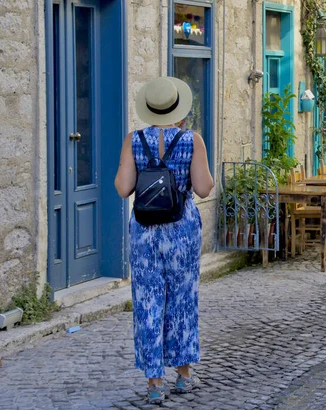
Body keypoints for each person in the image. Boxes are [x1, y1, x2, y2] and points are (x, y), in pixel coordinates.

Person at [114, 76, 214, 404]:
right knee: (182, 300)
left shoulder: (134, 140)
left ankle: (155, 381)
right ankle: (183, 376)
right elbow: (203, 188)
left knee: (148, 301)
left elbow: (122, 188)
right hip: (182, 230)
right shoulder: (192, 140)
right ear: (179, 110)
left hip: (144, 232)